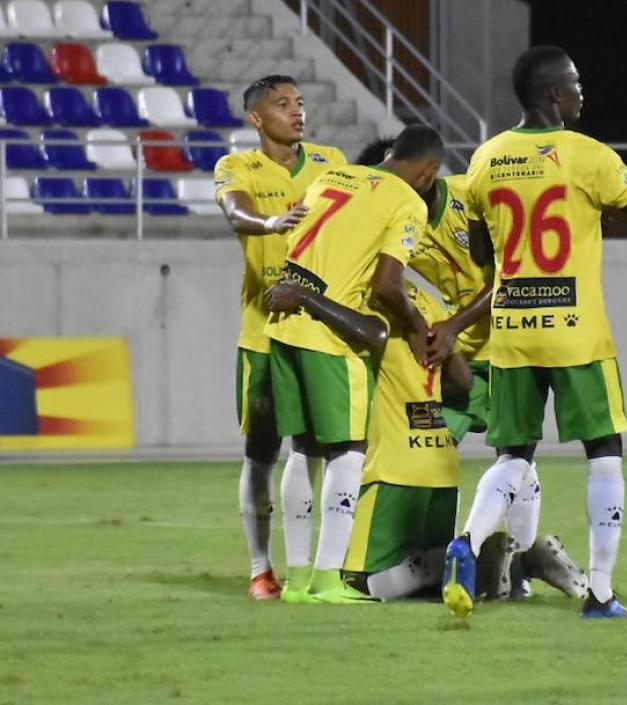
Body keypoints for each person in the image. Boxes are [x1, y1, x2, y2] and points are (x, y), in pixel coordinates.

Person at [442, 45, 627, 619]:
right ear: (553, 94)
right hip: (577, 334)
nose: (581, 91)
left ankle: (466, 545)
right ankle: (599, 592)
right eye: (574, 82)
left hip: (515, 332)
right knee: (604, 451)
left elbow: (480, 253)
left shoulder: (486, 158)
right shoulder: (586, 155)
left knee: (514, 453)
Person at [352, 139, 589, 601]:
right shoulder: (402, 223)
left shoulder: (468, 196)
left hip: (507, 344)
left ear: (420, 175)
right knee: (436, 447)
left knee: (516, 455)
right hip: (458, 356)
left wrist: (454, 325)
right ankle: (512, 558)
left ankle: (514, 563)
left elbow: (509, 270)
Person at [264, 125, 445, 602]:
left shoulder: (332, 179)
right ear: (428, 174)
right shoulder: (406, 201)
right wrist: (413, 325)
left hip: (283, 324)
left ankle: (298, 580)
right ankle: (328, 580)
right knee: (348, 449)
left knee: (303, 449)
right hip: (329, 335)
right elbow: (388, 285)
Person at [213, 74, 346, 600]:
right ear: (256, 118)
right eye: (282, 104)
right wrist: (270, 223)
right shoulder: (236, 165)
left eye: (300, 103)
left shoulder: (331, 161)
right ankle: (259, 566)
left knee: (313, 448)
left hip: (317, 329)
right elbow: (234, 212)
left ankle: (309, 563)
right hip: (263, 333)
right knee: (262, 450)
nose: (297, 112)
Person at [264, 279, 471, 603]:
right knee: (424, 594)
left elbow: (370, 334)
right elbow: (463, 379)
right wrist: (418, 387)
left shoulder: (364, 299)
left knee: (360, 582)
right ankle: (489, 566)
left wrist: (305, 297)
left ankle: (436, 567)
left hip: (391, 469)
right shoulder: (427, 303)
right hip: (442, 466)